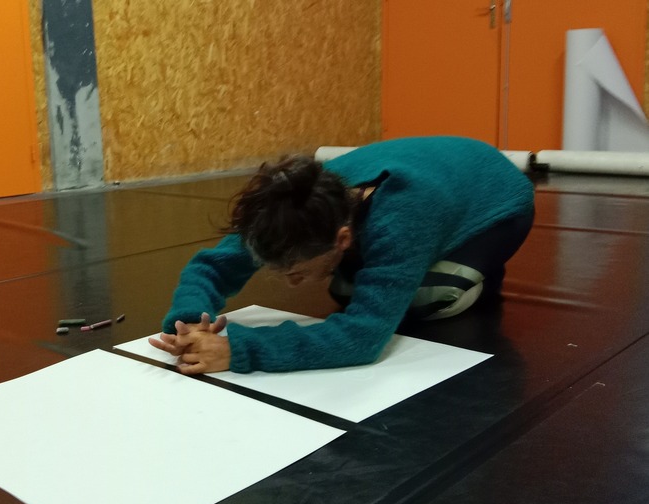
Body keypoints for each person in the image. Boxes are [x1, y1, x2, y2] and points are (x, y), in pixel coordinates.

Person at [149, 136, 535, 375]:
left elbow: (362, 339)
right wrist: (188, 322)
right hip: (440, 171)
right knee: (350, 285)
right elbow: (210, 266)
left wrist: (237, 350)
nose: (291, 284)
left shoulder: (402, 219)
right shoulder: (287, 208)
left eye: (296, 273)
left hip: (499, 203)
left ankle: (477, 274)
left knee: (425, 298)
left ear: (343, 238)